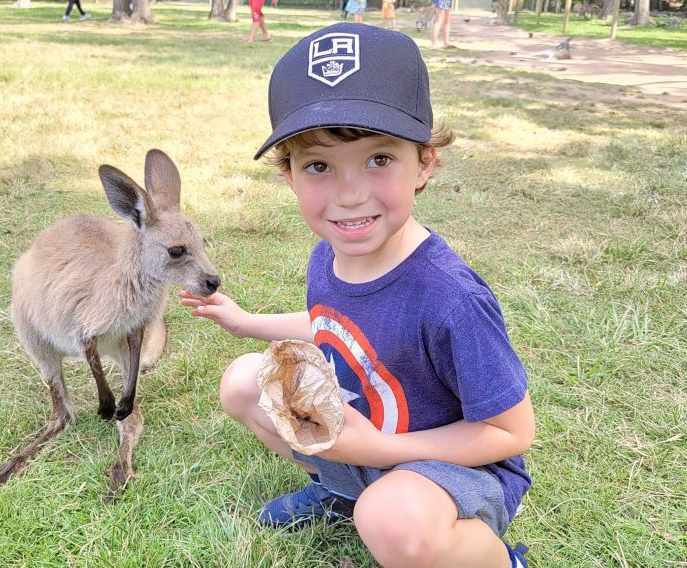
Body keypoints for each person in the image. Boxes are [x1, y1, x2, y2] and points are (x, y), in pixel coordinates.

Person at [181, 23, 534, 568]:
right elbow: (334, 327)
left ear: (425, 162)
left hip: (454, 468)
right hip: (366, 437)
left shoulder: (449, 297)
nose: (349, 194)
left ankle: (494, 558)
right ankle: (344, 491)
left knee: (390, 518)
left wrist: (381, 452)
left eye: (379, 159)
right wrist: (246, 321)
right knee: (244, 384)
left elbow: (510, 432)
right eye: (319, 166)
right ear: (289, 175)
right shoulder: (330, 253)